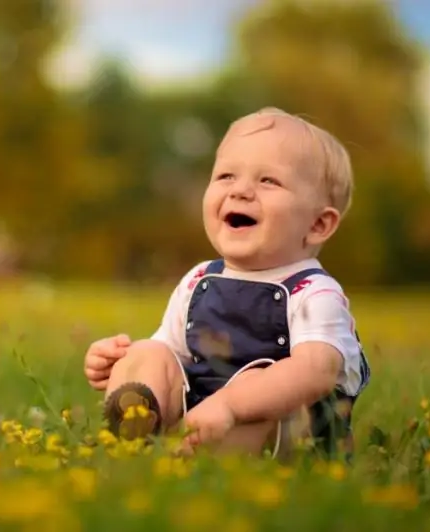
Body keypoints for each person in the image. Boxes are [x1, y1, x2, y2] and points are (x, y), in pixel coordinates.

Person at [83, 107, 371, 459]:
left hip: (285, 434)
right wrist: (120, 363)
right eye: (226, 176)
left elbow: (316, 371)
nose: (241, 191)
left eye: (268, 181)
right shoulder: (198, 280)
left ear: (317, 226)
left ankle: (184, 456)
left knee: (260, 382)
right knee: (148, 352)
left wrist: (232, 406)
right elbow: (173, 355)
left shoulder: (314, 293)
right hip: (204, 416)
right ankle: (136, 422)